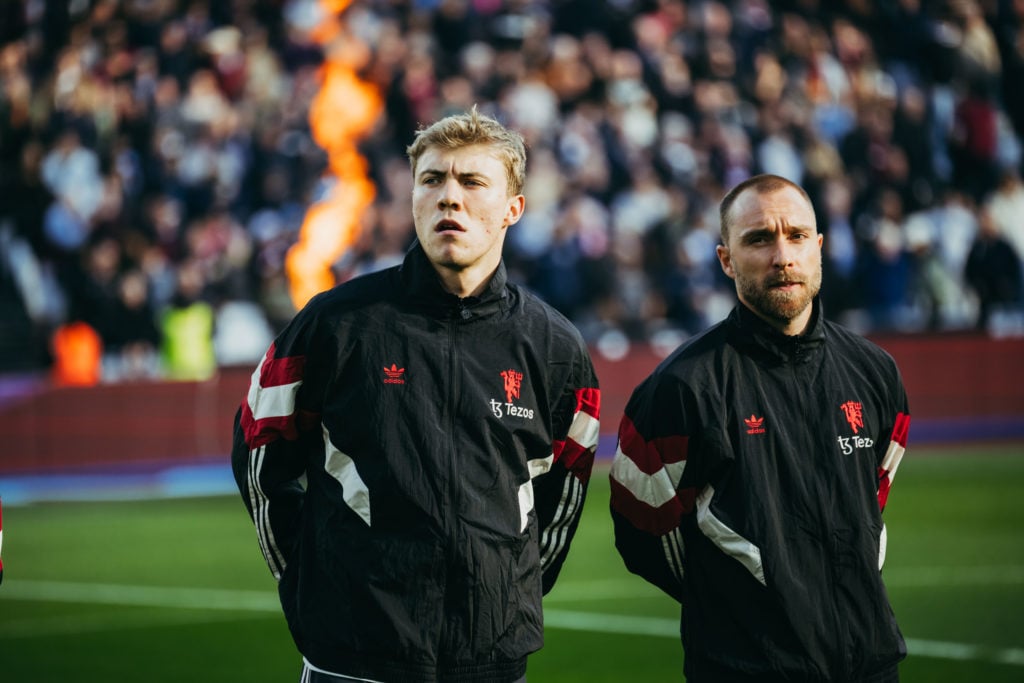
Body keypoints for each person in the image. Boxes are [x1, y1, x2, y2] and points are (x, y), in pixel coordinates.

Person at [231, 107, 601, 683]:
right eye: (432, 180)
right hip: (351, 662)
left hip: (493, 664)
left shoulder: (555, 348)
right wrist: (308, 583)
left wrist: (506, 593)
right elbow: (260, 454)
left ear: (513, 209)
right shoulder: (336, 324)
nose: (448, 197)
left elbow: (564, 494)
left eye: (472, 182)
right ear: (413, 198)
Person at [609, 174, 910, 682]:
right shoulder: (680, 388)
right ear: (726, 259)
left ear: (818, 248)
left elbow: (872, 498)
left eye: (796, 236)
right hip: (744, 668)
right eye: (759, 239)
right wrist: (740, 597)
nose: (782, 256)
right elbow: (642, 531)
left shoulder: (875, 373)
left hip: (872, 662)